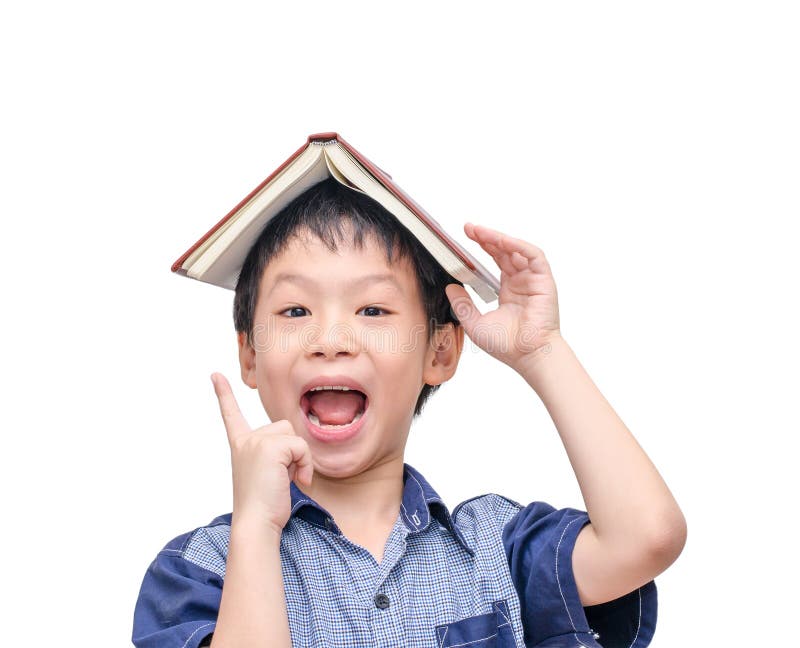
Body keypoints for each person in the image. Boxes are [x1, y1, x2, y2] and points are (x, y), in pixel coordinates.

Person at [132, 177, 686, 647]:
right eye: (295, 310)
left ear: (439, 352)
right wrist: (255, 527)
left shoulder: (496, 546)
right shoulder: (200, 572)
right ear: (250, 355)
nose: (331, 339)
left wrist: (542, 353)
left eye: (372, 309)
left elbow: (646, 538)